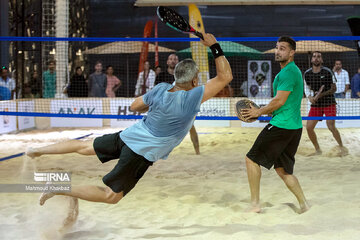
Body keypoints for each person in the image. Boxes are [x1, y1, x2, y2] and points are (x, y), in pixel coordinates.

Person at [26, 32, 232, 206]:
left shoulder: (161, 88)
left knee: (84, 147)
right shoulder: (192, 96)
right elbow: (225, 77)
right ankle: (59, 188)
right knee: (111, 196)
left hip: (130, 134)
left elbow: (134, 106)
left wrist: (152, 104)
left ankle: (37, 150)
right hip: (142, 151)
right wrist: (214, 45)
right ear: (195, 80)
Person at [242, 36, 309, 214]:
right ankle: (304, 204)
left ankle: (255, 204)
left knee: (251, 160)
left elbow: (279, 101)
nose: (278, 51)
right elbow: (284, 102)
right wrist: (267, 110)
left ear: (292, 52)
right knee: (283, 170)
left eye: (283, 48)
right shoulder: (291, 72)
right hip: (294, 127)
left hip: (282, 126)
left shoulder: (288, 72)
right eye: (277, 48)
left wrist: (258, 112)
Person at [155, 54, 200, 155]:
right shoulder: (161, 76)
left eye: (175, 59)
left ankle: (197, 152)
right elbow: (156, 91)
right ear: (167, 62)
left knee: (191, 127)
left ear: (179, 63)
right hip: (166, 106)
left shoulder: (185, 76)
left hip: (182, 106)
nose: (173, 61)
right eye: (170, 59)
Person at [304, 52, 346, 156]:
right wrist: (310, 97)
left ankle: (341, 147)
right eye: (314, 56)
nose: (316, 58)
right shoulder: (307, 73)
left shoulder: (327, 72)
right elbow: (307, 88)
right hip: (316, 104)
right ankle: (318, 150)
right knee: (309, 127)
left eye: (319, 57)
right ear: (311, 60)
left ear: (322, 60)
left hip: (329, 102)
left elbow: (333, 89)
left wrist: (320, 95)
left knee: (331, 126)